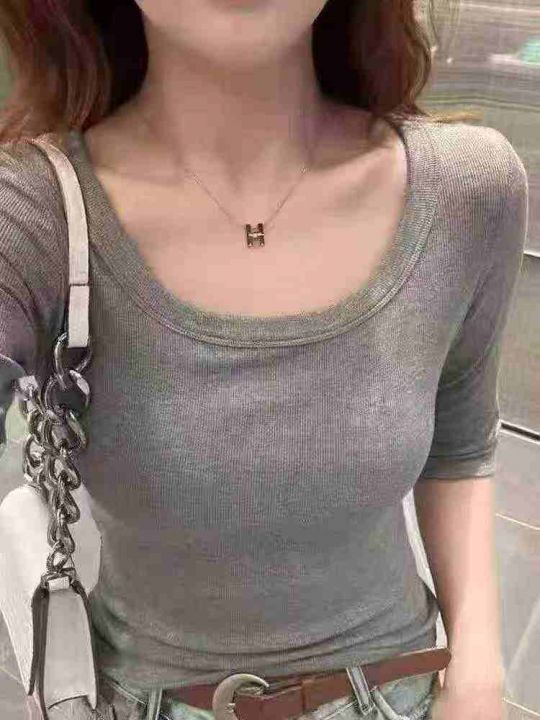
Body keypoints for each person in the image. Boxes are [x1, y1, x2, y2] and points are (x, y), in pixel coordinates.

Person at [0, 1, 528, 719]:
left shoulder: (466, 190)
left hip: (399, 694)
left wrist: (478, 677)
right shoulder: (33, 214)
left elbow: (459, 446)